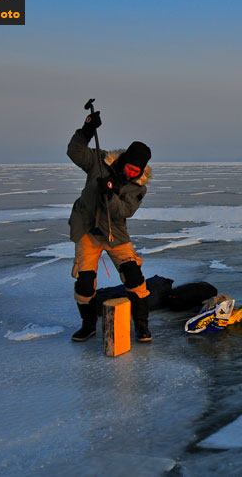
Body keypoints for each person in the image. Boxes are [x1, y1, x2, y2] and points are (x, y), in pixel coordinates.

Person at [67, 109, 153, 342]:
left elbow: (125, 211)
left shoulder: (138, 187)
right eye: (131, 167)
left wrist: (111, 192)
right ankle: (88, 325)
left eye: (137, 170)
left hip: (115, 234)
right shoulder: (99, 162)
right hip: (87, 230)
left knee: (133, 276)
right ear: (125, 159)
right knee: (85, 283)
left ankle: (142, 326)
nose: (133, 172)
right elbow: (75, 152)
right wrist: (86, 130)